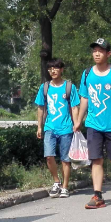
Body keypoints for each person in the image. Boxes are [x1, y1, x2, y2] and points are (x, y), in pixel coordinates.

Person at [73, 38, 111, 209]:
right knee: (96, 159)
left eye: (100, 51)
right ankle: (98, 195)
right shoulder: (87, 73)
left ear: (108, 54)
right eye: (94, 50)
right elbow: (84, 98)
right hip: (93, 124)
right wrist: (79, 120)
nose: (96, 54)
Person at [34, 58, 80, 198]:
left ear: (61, 69)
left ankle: (65, 187)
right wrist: (39, 127)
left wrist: (76, 124)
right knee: (49, 156)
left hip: (66, 128)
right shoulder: (45, 87)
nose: (52, 71)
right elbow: (41, 107)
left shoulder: (69, 87)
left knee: (65, 159)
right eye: (50, 69)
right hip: (50, 127)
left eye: (55, 68)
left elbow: (75, 107)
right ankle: (56, 181)